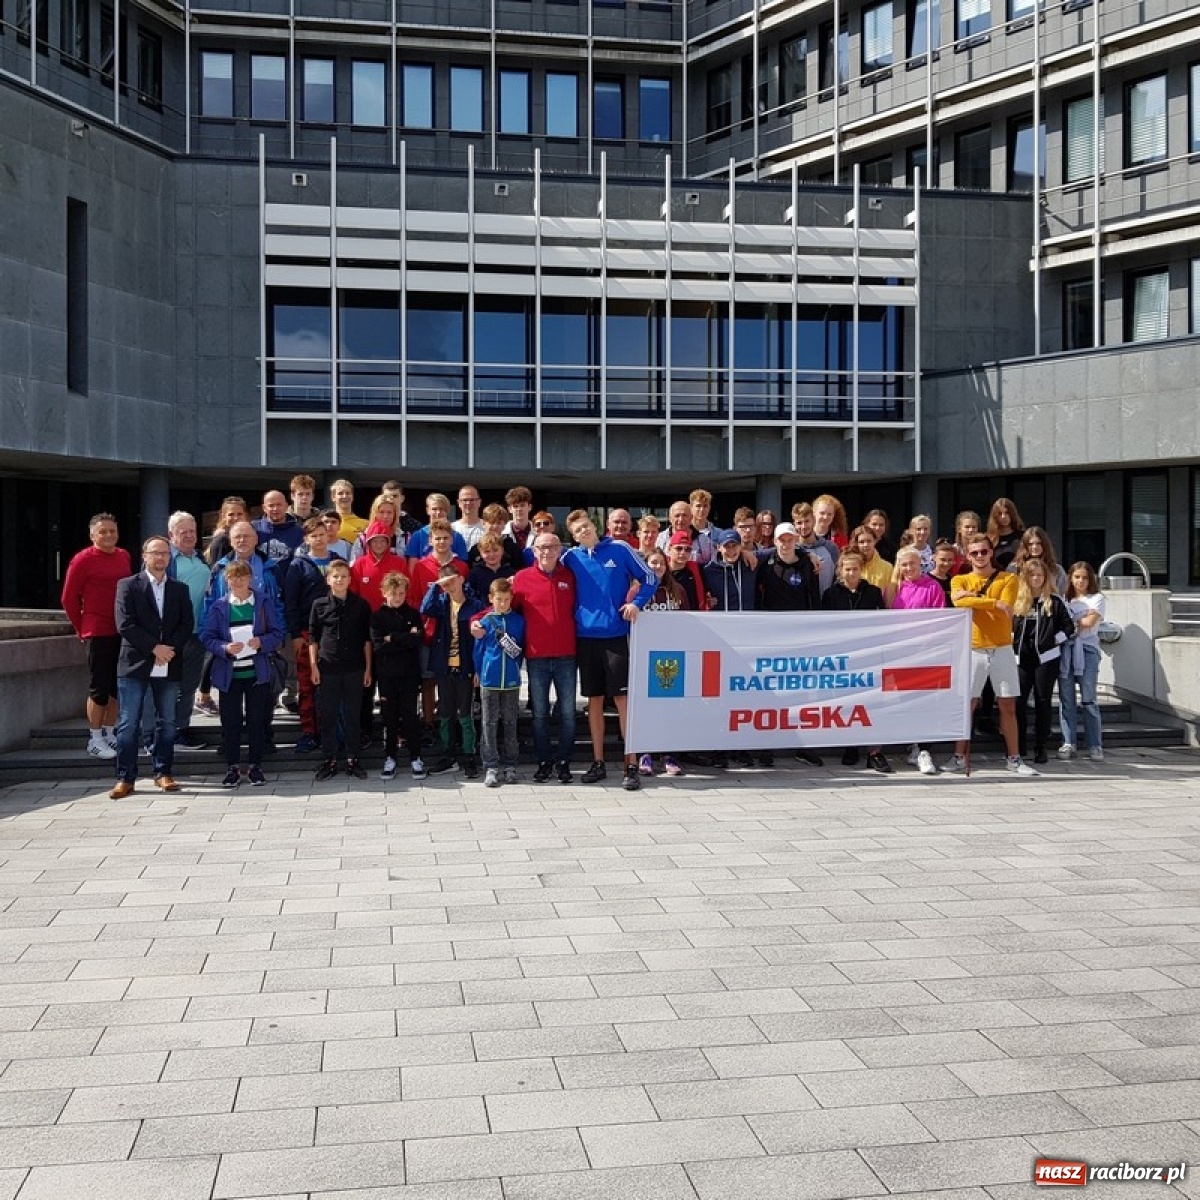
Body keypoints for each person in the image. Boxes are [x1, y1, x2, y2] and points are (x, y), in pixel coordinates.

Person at [562, 509, 657, 791]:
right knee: (594, 700)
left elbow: (650, 578)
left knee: (622, 701)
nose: (584, 532)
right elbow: (540, 560)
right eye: (577, 530)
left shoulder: (619, 548)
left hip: (616, 636)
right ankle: (599, 762)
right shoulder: (570, 557)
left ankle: (631, 763)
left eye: (586, 526)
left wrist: (637, 603)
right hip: (586, 637)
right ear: (573, 536)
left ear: (595, 526)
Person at [947, 534, 1039, 777]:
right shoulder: (960, 579)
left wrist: (974, 599)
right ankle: (958, 756)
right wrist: (992, 603)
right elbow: (957, 603)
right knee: (968, 704)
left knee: (1008, 704)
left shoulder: (1009, 578)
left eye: (984, 552)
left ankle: (1014, 758)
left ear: (991, 553)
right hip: (973, 648)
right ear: (967, 555)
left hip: (1001, 648)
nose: (979, 556)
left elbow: (1006, 606)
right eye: (974, 552)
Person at [109, 536, 195, 799]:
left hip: (168, 662)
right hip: (135, 663)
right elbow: (125, 624)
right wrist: (153, 648)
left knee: (167, 721)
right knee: (128, 722)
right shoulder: (127, 585)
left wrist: (168, 650)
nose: (160, 558)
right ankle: (126, 778)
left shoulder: (179, 589)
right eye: (155, 553)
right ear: (144, 555)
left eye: (165, 554)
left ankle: (163, 772)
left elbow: (186, 624)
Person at [201, 559, 284, 788]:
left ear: (250, 578)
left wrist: (262, 642)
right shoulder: (219, 606)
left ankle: (256, 766)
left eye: (242, 576)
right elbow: (208, 637)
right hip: (229, 675)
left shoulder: (263, 602)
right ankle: (233, 767)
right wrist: (224, 648)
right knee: (231, 722)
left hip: (257, 673)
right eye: (233, 577)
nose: (238, 581)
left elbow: (278, 634)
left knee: (257, 721)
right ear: (226, 580)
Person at [61, 512, 132, 759]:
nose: (109, 535)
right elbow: (68, 598)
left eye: (112, 531)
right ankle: (95, 738)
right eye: (103, 531)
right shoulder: (82, 560)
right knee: (99, 687)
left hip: (121, 630)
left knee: (117, 686)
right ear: (92, 535)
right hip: (97, 631)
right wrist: (82, 628)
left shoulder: (124, 556)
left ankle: (111, 733)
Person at [509, 531, 577, 784]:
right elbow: (503, 607)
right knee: (539, 714)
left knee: (568, 713)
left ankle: (563, 761)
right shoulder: (522, 578)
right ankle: (544, 761)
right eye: (541, 547)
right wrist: (478, 620)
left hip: (567, 655)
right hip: (536, 657)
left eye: (551, 547)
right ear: (534, 551)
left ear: (560, 550)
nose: (546, 551)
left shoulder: (570, 576)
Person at [822, 551, 891, 774]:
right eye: (847, 569)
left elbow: (881, 622)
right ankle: (850, 745)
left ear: (861, 570)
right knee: (847, 703)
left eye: (855, 569)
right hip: (842, 658)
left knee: (872, 701)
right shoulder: (831, 594)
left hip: (868, 655)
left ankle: (874, 752)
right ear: (840, 571)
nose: (851, 573)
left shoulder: (873, 592)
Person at [284, 515, 345, 755]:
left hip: (333, 632)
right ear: (306, 538)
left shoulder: (337, 561)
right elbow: (291, 602)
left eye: (322, 534)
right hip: (306, 632)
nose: (319, 539)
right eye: (314, 535)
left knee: (331, 684)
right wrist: (295, 634)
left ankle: (332, 732)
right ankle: (309, 731)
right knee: (307, 684)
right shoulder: (297, 565)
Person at [309, 558, 373, 782]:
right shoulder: (319, 606)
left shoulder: (361, 605)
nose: (339, 580)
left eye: (344, 576)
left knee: (352, 715)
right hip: (328, 668)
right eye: (335, 576)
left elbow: (367, 640)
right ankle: (330, 759)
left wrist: (368, 669)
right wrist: (313, 666)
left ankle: (353, 759)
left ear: (350, 579)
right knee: (328, 716)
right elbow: (313, 638)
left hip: (354, 667)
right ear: (328, 579)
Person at [420, 563, 484, 777]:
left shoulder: (474, 605)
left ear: (461, 579)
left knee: (465, 712)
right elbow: (424, 609)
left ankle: (469, 756)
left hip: (465, 665)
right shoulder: (440, 602)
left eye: (452, 581)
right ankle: (448, 754)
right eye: (445, 583)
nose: (449, 586)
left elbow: (479, 641)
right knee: (446, 713)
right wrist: (435, 587)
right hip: (444, 665)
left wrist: (477, 669)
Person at [889, 546, 946, 777]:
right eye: (904, 565)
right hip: (901, 654)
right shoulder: (894, 589)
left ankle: (924, 749)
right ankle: (912, 745)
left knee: (925, 700)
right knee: (906, 700)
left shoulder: (932, 586)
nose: (908, 568)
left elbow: (940, 618)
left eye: (912, 563)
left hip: (925, 653)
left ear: (920, 563)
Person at [1012, 559, 1075, 765]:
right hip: (1022, 658)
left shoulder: (1055, 602)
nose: (1036, 579)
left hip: (1046, 659)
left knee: (1042, 701)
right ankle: (1019, 745)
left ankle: (1041, 746)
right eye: (1032, 575)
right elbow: (1009, 627)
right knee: (1019, 702)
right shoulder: (1018, 601)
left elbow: (1069, 628)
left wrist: (1054, 641)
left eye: (1040, 575)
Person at [158, 511, 210, 752]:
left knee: (188, 685)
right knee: (169, 685)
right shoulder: (165, 560)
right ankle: (162, 732)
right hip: (171, 635)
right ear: (171, 535)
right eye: (183, 532)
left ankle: (180, 730)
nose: (189, 536)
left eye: (192, 531)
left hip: (197, 633)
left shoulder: (200, 559)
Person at [371, 571, 427, 782]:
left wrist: (392, 638)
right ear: (384, 593)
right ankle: (390, 757)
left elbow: (418, 640)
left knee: (411, 716)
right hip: (386, 675)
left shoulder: (413, 614)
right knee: (389, 718)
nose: (397, 597)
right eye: (393, 593)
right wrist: (404, 639)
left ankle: (416, 757)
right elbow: (378, 646)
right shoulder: (377, 617)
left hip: (410, 674)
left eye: (401, 593)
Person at [473, 577, 526, 787]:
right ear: (491, 599)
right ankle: (491, 765)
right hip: (489, 678)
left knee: (511, 722)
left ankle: (511, 764)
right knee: (489, 723)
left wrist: (516, 669)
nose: (502, 603)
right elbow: (478, 650)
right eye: (499, 599)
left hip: (511, 681)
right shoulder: (485, 621)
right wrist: (478, 671)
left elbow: (520, 648)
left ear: (511, 598)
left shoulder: (519, 621)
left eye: (506, 599)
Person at [1059, 561, 1106, 762]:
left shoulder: (1097, 598)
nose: (1081, 581)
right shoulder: (1063, 599)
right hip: (1066, 650)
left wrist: (1073, 620)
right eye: (1077, 577)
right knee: (1067, 699)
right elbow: (1061, 623)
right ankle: (1069, 742)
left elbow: (1088, 624)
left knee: (1089, 699)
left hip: (1087, 650)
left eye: (1085, 577)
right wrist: (1077, 619)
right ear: (1070, 578)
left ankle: (1095, 744)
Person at [703, 530, 758, 612]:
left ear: (740, 546)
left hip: (747, 621)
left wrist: (745, 552)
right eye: (726, 546)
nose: (731, 550)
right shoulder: (708, 570)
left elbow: (774, 551)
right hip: (720, 622)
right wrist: (706, 601)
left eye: (734, 545)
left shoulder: (750, 562)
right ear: (718, 547)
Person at [406, 493, 469, 560]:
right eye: (434, 509)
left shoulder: (457, 537)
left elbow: (462, 566)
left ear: (447, 511)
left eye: (441, 509)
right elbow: (412, 567)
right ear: (428, 510)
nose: (438, 512)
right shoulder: (418, 536)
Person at [792, 502, 837, 594]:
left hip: (826, 605)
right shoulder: (791, 550)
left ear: (813, 520)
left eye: (807, 521)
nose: (803, 526)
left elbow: (839, 577)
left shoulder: (831, 548)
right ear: (794, 525)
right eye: (799, 523)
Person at [1008, 526, 1068, 595]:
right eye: (1030, 544)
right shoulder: (1014, 568)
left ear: (1044, 545)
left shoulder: (1057, 570)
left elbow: (1062, 595)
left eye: (1038, 543)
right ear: (1025, 546)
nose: (1035, 547)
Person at [252, 490, 304, 566]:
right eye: (271, 505)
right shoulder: (253, 528)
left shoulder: (299, 532)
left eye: (279, 505)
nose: (275, 509)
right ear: (264, 508)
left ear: (286, 506)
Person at [349, 495, 406, 561]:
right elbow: (354, 566)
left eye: (389, 512)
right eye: (381, 512)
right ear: (375, 514)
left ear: (395, 515)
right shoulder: (363, 539)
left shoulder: (404, 538)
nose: (385, 516)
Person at [665, 532, 706, 610]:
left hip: (692, 618)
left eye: (688, 549)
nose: (683, 553)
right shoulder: (661, 571)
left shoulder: (697, 570)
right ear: (669, 549)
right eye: (679, 548)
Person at [849, 524, 893, 591]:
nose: (866, 545)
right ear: (856, 544)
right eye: (861, 542)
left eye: (869, 541)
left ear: (875, 541)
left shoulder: (887, 568)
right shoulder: (848, 567)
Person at [988, 497, 1026, 570]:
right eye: (1000, 514)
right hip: (996, 578)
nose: (1003, 517)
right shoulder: (989, 538)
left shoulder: (1022, 536)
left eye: (1007, 513)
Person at [329, 478, 369, 543]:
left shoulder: (366, 524)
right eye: (340, 493)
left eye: (348, 493)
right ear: (333, 497)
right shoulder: (326, 523)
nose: (344, 496)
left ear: (352, 496)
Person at [502, 486, 536, 556]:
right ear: (509, 509)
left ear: (530, 507)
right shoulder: (501, 533)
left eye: (522, 505)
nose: (519, 509)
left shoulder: (538, 532)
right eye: (515, 506)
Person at [453, 484, 486, 551]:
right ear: (459, 503)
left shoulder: (487, 528)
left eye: (472, 500)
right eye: (465, 500)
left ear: (479, 502)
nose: (468, 503)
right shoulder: (451, 528)